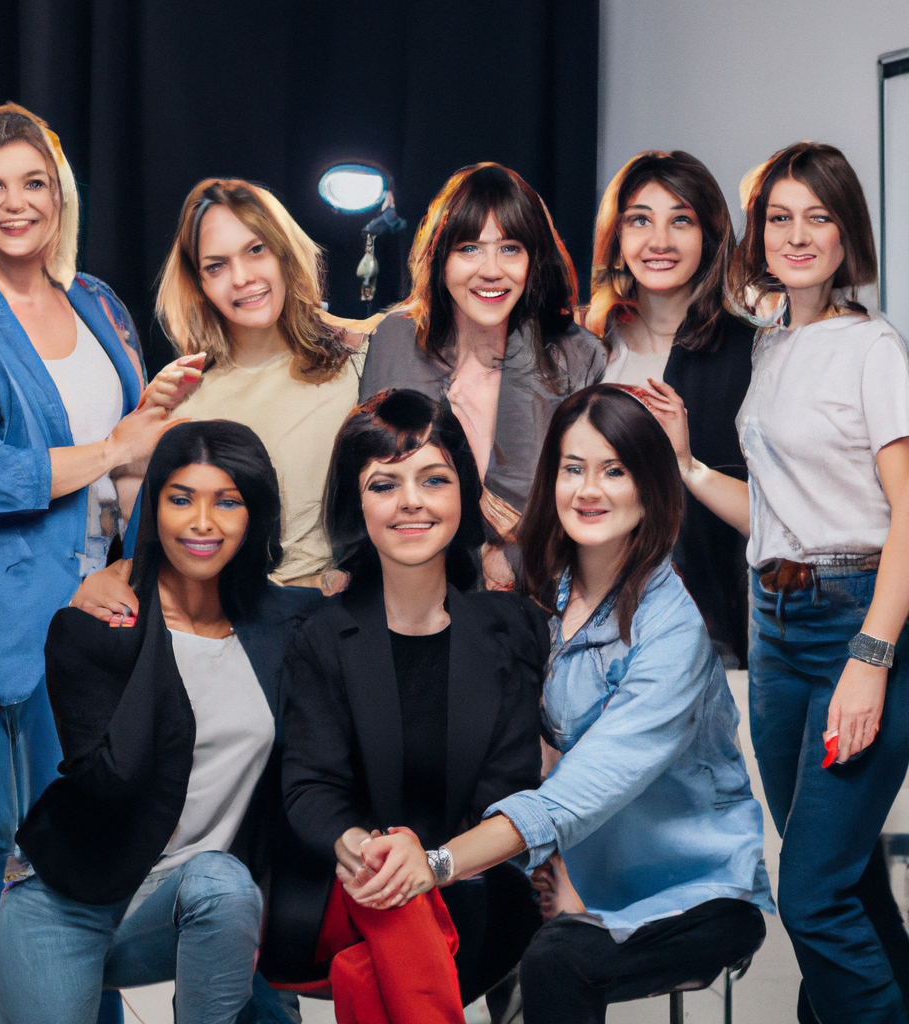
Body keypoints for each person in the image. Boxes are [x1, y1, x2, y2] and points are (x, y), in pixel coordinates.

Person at [344, 385, 772, 1024]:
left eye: (615, 471)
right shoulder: (542, 601)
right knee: (448, 929)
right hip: (572, 883)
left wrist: (434, 865)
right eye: (573, 469)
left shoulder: (670, 629)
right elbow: (525, 752)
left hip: (694, 889)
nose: (589, 490)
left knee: (555, 959)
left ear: (651, 486)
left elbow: (585, 787)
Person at [0, 103, 178, 1024]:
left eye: (35, 183)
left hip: (90, 613)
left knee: (80, 844)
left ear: (60, 196)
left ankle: (78, 1010)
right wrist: (113, 447)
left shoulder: (97, 301)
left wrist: (151, 530)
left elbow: (134, 450)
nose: (16, 203)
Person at [647, 142, 909, 1024]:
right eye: (780, 217)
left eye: (819, 217)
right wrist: (683, 464)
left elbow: (907, 516)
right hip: (777, 622)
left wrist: (871, 657)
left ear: (847, 233)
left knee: (811, 895)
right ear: (758, 234)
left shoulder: (872, 348)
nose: (798, 236)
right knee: (846, 877)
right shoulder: (770, 349)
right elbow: (776, 513)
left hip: (857, 619)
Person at [0, 420, 323, 1024]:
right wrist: (131, 598)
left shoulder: (290, 629)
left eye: (228, 501)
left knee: (222, 881)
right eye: (180, 498)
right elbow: (110, 777)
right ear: (154, 508)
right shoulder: (95, 627)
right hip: (67, 903)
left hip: (195, 905)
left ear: (256, 514)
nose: (201, 523)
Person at [280, 389, 548, 1022]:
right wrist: (370, 852)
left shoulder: (510, 628)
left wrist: (426, 865)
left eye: (433, 479)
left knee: (384, 955)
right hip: (355, 884)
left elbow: (510, 787)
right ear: (357, 502)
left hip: (475, 885)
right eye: (384, 484)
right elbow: (310, 788)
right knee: (392, 914)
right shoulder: (322, 636)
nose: (411, 503)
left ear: (463, 493)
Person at [358, 163, 604, 587]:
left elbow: (594, 500)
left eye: (510, 248)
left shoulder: (576, 356)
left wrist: (512, 559)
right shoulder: (396, 340)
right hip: (415, 590)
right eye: (469, 248)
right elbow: (363, 474)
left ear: (534, 258)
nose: (491, 270)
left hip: (545, 596)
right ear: (440, 258)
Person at [137, 177, 380, 589]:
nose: (242, 277)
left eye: (255, 250)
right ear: (198, 284)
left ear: (284, 252)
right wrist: (146, 421)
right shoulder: (189, 399)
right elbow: (154, 543)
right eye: (216, 265)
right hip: (239, 630)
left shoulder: (366, 355)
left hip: (346, 623)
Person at [587, 149, 754, 666]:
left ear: (709, 236)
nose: (659, 241)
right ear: (617, 236)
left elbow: (782, 518)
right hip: (586, 622)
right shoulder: (585, 349)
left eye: (680, 220)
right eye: (640, 220)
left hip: (708, 632)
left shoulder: (751, 354)